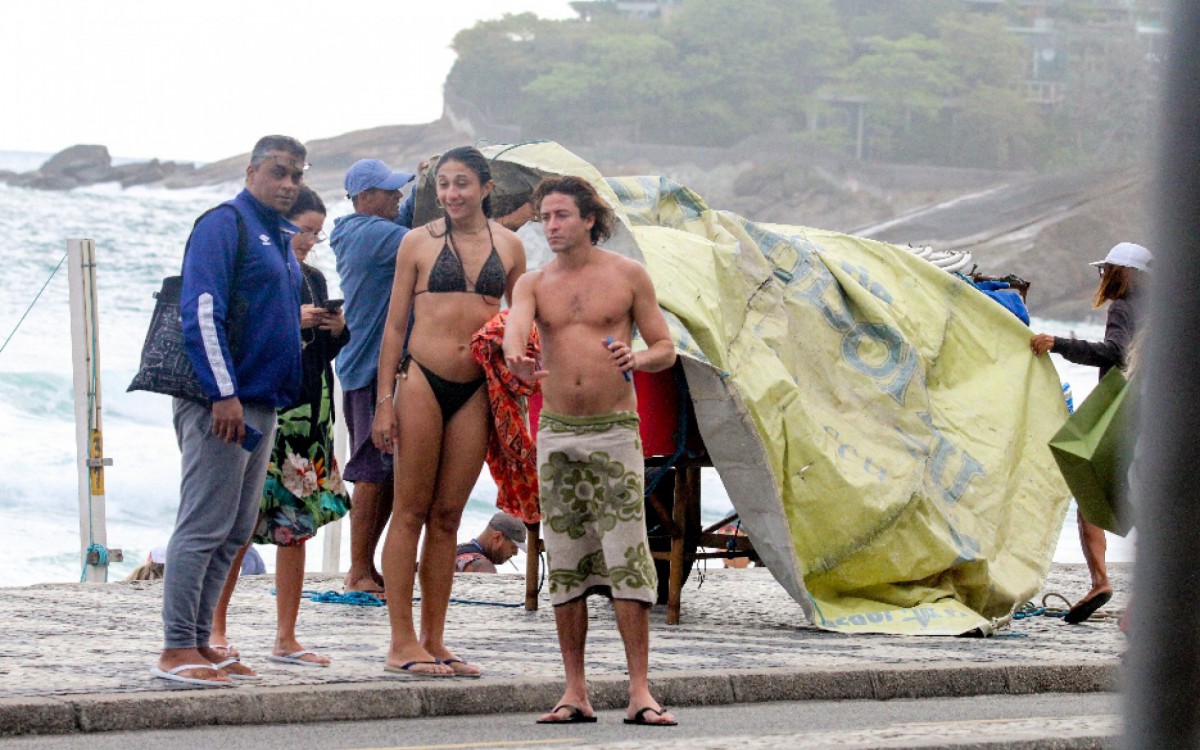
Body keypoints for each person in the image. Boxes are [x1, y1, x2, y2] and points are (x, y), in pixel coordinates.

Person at [503, 175, 679, 726]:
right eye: (545, 218)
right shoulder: (533, 283)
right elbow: (514, 333)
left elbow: (666, 348)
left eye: (561, 216)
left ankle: (640, 690)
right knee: (566, 558)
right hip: (557, 432)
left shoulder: (627, 276)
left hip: (614, 431)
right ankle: (575, 690)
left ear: (588, 219)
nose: (551, 226)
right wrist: (517, 360)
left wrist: (637, 358)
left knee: (628, 556)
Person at [153, 135, 307, 688]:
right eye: (278, 172)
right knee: (203, 524)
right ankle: (176, 646)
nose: (288, 183)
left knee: (235, 529)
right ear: (251, 171)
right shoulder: (225, 224)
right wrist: (223, 393)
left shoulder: (278, 235)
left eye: (296, 175)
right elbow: (202, 309)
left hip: (262, 401)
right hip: (222, 403)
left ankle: (201, 641)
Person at [373, 146, 527, 677]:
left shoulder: (510, 247)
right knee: (409, 510)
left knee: (447, 517)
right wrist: (384, 401)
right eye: (443, 184)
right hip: (422, 380)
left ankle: (435, 640)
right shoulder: (416, 242)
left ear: (486, 187)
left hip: (476, 389)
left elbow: (521, 321)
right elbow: (395, 326)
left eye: (462, 183)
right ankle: (401, 641)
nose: (451, 193)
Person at [209, 186, 352, 670]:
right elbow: (243, 336)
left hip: (310, 414)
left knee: (298, 527)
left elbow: (322, 353)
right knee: (240, 525)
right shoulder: (259, 272)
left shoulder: (313, 278)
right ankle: (216, 628)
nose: (309, 241)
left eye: (316, 234)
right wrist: (293, 320)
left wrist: (336, 331)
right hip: (269, 409)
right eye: (303, 230)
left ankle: (286, 636)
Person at [1032, 241, 1152, 625]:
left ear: (1123, 272)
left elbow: (1114, 352)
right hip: (1154, 411)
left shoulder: (1123, 307)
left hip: (1121, 414)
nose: (1103, 277)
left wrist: (1059, 344)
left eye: (1107, 270)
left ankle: (1102, 581)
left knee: (1089, 490)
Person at [330, 159, 415, 596]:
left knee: (388, 471)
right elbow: (429, 238)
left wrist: (429, 180)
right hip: (369, 369)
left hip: (379, 367)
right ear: (365, 198)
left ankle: (366, 566)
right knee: (371, 468)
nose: (398, 196)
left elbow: (411, 217)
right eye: (389, 191)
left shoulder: (372, 228)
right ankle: (358, 569)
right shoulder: (369, 234)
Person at [456, 512, 528, 573]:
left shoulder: (457, 550)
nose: (515, 553)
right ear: (497, 537)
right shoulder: (483, 566)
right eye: (513, 547)